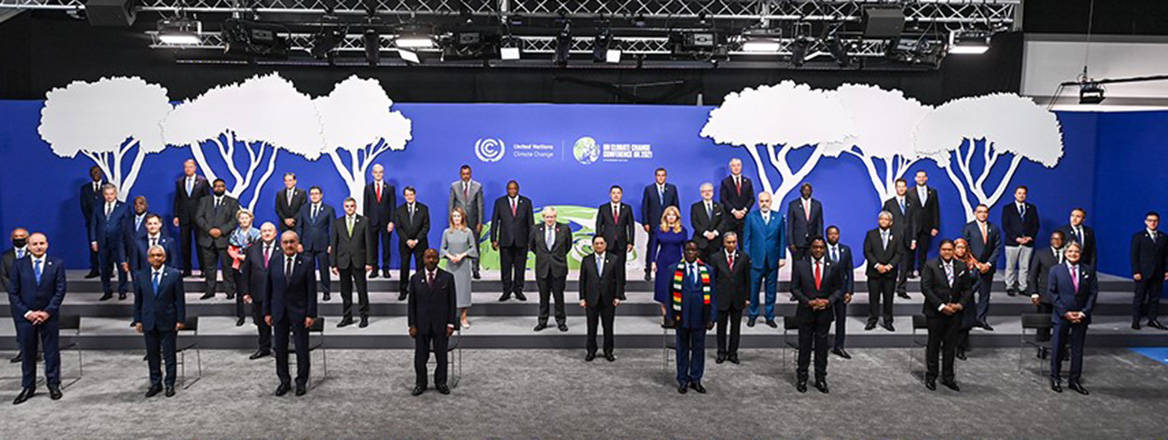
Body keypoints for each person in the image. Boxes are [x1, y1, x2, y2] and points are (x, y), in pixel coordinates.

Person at [9, 233, 67, 405]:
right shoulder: (19, 265)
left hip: (49, 316)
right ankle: (28, 386)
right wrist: (28, 313)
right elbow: (13, 292)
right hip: (26, 317)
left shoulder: (57, 264)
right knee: (28, 353)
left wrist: (47, 312)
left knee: (51, 352)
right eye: (35, 244)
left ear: (47, 245)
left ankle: (53, 384)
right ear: (28, 246)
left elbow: (60, 290)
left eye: (42, 243)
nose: (39, 246)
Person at [264, 231, 318, 397]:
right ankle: (284, 381)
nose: (289, 245)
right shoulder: (274, 261)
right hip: (279, 312)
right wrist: (266, 312)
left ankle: (301, 381)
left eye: (292, 242)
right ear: (281, 244)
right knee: (280, 349)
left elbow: (312, 291)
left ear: (297, 243)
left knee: (302, 349)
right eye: (286, 242)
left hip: (300, 313)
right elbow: (268, 289)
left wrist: (311, 314)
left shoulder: (307, 262)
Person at [131, 245, 186, 398]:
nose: (156, 258)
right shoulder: (140, 275)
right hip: (149, 321)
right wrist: (138, 320)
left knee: (169, 355)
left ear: (164, 257)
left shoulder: (174, 275)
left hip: (168, 320)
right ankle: (155, 383)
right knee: (152, 355)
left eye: (159, 255)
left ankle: (170, 383)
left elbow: (179, 300)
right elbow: (138, 301)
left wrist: (180, 319)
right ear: (148, 258)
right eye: (153, 255)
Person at [790, 237, 841, 393]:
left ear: (825, 249)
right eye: (815, 247)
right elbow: (795, 288)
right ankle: (802, 378)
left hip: (824, 313)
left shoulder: (833, 266)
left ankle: (820, 378)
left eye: (821, 247)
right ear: (810, 248)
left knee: (821, 349)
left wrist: (828, 301)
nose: (818, 250)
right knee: (804, 347)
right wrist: (808, 302)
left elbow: (838, 289)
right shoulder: (800, 265)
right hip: (806, 312)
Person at [920, 240, 971, 392]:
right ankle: (931, 376)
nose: (947, 252)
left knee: (950, 347)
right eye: (944, 249)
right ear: (940, 250)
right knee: (934, 345)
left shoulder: (961, 266)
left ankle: (948, 377)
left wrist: (960, 304)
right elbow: (926, 288)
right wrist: (941, 307)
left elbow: (967, 289)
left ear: (954, 250)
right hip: (935, 313)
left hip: (954, 313)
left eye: (950, 249)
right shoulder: (931, 265)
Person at [1049, 241, 1098, 395]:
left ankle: (1074, 380)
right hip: (1062, 316)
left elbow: (1093, 293)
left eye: (1076, 251)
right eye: (1070, 251)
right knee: (1058, 349)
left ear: (1080, 253)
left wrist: (1084, 312)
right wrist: (1065, 312)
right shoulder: (1056, 270)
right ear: (1065, 253)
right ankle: (1055, 378)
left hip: (1081, 317)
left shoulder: (1088, 270)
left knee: (1077, 350)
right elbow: (1052, 293)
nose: (1073, 254)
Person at [408, 249, 457, 396]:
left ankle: (440, 382)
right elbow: (412, 304)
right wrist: (412, 324)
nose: (431, 260)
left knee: (441, 357)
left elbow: (452, 302)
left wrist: (451, 324)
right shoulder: (415, 278)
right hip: (421, 325)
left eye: (434, 258)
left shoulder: (447, 278)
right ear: (423, 259)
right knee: (420, 358)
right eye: (428, 257)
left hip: (441, 325)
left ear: (438, 259)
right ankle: (420, 383)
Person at [670, 241, 715, 394]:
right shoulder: (674, 269)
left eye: (693, 250)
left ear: (698, 253)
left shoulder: (708, 270)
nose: (690, 253)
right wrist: (670, 316)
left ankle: (696, 379)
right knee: (682, 349)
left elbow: (713, 296)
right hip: (681, 317)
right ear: (683, 252)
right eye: (687, 250)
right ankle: (683, 379)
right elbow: (669, 296)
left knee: (698, 349)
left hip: (700, 317)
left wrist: (711, 318)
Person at [579, 235, 625, 362]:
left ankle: (608, 351)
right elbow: (582, 280)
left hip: (608, 299)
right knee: (591, 327)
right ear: (593, 245)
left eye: (601, 243)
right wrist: (582, 297)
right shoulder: (586, 260)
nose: (599, 245)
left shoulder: (614, 259)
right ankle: (591, 351)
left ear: (605, 244)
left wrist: (617, 296)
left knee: (608, 327)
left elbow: (618, 280)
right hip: (591, 299)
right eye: (596, 243)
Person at [743, 191, 785, 328]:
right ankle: (753, 315)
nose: (764, 203)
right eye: (761, 201)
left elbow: (782, 239)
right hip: (755, 259)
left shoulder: (779, 217)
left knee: (771, 290)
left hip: (772, 260)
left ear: (771, 202)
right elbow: (746, 239)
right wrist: (747, 257)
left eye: (767, 201)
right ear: (758, 202)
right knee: (753, 289)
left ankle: (769, 316)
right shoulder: (751, 217)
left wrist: (782, 256)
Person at [331, 197, 375, 328]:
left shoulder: (364, 221)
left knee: (362, 290)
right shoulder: (337, 222)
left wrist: (369, 262)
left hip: (359, 261)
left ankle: (364, 317)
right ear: (344, 207)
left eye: (351, 206)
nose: (349, 208)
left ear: (355, 207)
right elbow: (334, 243)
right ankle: (347, 317)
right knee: (345, 291)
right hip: (343, 261)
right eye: (347, 206)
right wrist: (333, 264)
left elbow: (369, 243)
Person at [195, 179, 240, 301]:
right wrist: (210, 230)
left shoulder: (232, 202)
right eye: (216, 186)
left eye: (221, 186)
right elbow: (198, 217)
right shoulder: (204, 201)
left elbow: (235, 220)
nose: (219, 188)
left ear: (225, 188)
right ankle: (209, 291)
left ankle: (230, 291)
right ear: (212, 188)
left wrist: (221, 231)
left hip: (224, 239)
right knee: (209, 268)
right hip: (207, 239)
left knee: (227, 267)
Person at [490, 180, 533, 302]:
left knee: (520, 267)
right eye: (510, 188)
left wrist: (531, 240)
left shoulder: (526, 202)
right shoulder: (500, 202)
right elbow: (495, 222)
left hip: (521, 241)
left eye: (514, 188)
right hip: (505, 241)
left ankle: (519, 290)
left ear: (518, 189)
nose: (512, 191)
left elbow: (531, 223)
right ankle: (506, 291)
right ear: (507, 189)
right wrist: (494, 239)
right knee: (506, 268)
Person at [530, 207, 571, 332]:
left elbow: (568, 246)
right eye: (548, 217)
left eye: (552, 217)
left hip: (558, 268)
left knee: (559, 297)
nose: (550, 219)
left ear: (556, 217)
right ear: (543, 217)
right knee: (543, 297)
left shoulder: (564, 229)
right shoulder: (536, 229)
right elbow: (532, 246)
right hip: (542, 268)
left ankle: (561, 321)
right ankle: (542, 321)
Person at [240, 222, 278, 360]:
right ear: (260, 234)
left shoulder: (283, 247)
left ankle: (280, 348)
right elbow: (246, 273)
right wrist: (245, 292)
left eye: (269, 230)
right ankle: (264, 348)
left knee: (279, 323)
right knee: (262, 324)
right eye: (264, 231)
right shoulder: (252, 249)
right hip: (258, 292)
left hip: (278, 294)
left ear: (275, 233)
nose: (267, 233)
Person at [711, 232, 749, 364]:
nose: (731, 245)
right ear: (724, 243)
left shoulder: (744, 257)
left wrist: (747, 297)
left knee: (735, 327)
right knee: (721, 327)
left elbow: (747, 280)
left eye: (734, 242)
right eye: (729, 242)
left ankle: (733, 353)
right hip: (721, 298)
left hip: (738, 298)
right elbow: (713, 280)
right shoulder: (716, 258)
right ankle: (721, 352)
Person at [90, 183, 132, 301]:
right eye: (107, 194)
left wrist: (126, 243)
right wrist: (93, 240)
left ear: (115, 194)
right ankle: (107, 291)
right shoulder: (98, 207)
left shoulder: (124, 207)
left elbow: (128, 227)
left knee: (121, 267)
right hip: (102, 242)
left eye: (111, 194)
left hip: (119, 243)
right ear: (103, 195)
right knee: (104, 268)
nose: (109, 196)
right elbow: (93, 224)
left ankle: (122, 290)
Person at [963, 204, 1002, 331]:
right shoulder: (969, 227)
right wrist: (977, 264)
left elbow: (997, 247)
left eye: (985, 212)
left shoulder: (994, 228)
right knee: (969, 295)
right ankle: (968, 320)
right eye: (980, 212)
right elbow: (965, 248)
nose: (983, 214)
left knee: (985, 295)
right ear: (975, 213)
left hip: (988, 268)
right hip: (973, 268)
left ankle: (981, 319)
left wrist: (988, 264)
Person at [863, 211, 903, 332]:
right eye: (881, 219)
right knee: (873, 298)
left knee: (888, 298)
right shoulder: (871, 234)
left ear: (891, 222)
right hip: (874, 273)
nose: (883, 221)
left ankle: (888, 321)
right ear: (878, 221)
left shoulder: (897, 235)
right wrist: (877, 265)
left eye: (886, 219)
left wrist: (889, 266)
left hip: (889, 273)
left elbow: (899, 253)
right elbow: (867, 252)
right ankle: (872, 320)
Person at [1028, 231, 1065, 358]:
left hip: (1063, 297)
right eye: (1053, 238)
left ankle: (1061, 349)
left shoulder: (1069, 253)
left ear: (1063, 240)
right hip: (1045, 295)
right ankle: (1042, 348)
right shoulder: (1041, 253)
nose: (1056, 241)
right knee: (1043, 324)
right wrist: (1034, 293)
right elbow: (1033, 275)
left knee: (1062, 325)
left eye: (1059, 239)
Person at [441, 207, 479, 329]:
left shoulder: (468, 232)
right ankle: (450, 319)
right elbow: (442, 249)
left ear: (462, 218)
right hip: (451, 266)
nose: (456, 218)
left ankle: (463, 318)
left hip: (463, 266)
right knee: (450, 292)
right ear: (451, 218)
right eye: (454, 216)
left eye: (458, 216)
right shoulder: (447, 232)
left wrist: (462, 255)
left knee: (463, 292)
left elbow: (473, 249)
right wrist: (449, 256)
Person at [1130, 211, 1168, 330]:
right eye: (1150, 220)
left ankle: (1152, 319)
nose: (1152, 223)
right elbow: (1134, 255)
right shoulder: (1138, 236)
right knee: (1139, 298)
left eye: (1155, 221)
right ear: (1146, 222)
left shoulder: (1163, 237)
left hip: (1158, 273)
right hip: (1143, 273)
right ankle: (1136, 320)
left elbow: (1166, 256)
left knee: (1155, 298)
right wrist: (1136, 271)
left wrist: (1166, 270)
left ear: (1158, 222)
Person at [296, 186, 334, 302]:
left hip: (322, 244)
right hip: (306, 244)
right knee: (307, 270)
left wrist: (331, 244)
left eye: (316, 193)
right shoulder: (303, 209)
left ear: (321, 195)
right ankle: (308, 292)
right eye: (312, 194)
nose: (314, 196)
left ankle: (326, 291)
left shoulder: (329, 209)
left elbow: (332, 228)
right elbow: (299, 227)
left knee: (324, 270)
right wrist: (298, 243)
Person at [173, 159, 210, 277]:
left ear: (195, 168)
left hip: (199, 218)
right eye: (186, 167)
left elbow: (207, 200)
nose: (188, 169)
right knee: (185, 244)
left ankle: (203, 269)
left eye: (190, 167)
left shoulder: (203, 181)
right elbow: (177, 200)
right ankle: (187, 270)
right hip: (184, 217)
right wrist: (176, 215)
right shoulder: (179, 182)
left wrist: (206, 217)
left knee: (200, 244)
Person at [641, 168, 679, 281]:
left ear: (666, 176)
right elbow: (645, 207)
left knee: (670, 246)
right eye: (658, 175)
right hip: (653, 224)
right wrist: (646, 222)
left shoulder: (672, 188)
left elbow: (675, 206)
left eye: (663, 175)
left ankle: (672, 269)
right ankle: (648, 270)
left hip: (669, 223)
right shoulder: (649, 189)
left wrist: (676, 221)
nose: (661, 177)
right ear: (655, 176)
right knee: (651, 246)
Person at [652, 206, 688, 327]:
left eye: (673, 215)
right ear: (665, 217)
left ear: (677, 217)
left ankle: (675, 317)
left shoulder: (682, 230)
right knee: (662, 290)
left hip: (677, 262)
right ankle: (666, 318)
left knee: (676, 290)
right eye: (669, 215)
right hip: (662, 263)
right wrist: (652, 261)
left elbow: (686, 248)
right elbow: (653, 247)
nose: (671, 217)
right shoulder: (659, 229)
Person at [1001, 186, 1039, 297]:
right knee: (1010, 266)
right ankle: (1010, 286)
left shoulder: (1032, 208)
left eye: (1023, 193)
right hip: (1012, 242)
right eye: (1019, 193)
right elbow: (1005, 226)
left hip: (1028, 242)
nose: (1021, 195)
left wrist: (1030, 237)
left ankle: (1023, 287)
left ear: (1026, 195)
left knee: (1025, 266)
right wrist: (1016, 238)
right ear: (1015, 194)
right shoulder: (1007, 208)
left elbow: (1036, 225)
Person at [449, 165, 485, 279]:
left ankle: (475, 269)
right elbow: (451, 205)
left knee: (474, 245)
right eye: (464, 174)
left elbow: (480, 206)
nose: (466, 176)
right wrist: (452, 222)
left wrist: (480, 222)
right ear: (460, 174)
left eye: (468, 174)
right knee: (457, 244)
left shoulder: (477, 187)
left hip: (474, 222)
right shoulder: (454, 186)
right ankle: (457, 268)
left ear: (471, 174)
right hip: (458, 222)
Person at [825, 226, 855, 359]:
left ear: (839, 235)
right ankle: (821, 345)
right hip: (825, 292)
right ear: (826, 235)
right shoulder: (820, 249)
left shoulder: (845, 250)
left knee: (841, 320)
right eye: (830, 234)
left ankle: (839, 346)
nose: (833, 236)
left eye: (835, 234)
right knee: (823, 320)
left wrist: (849, 291)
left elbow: (849, 271)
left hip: (842, 291)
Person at [395, 186, 430, 301]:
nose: (409, 197)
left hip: (420, 243)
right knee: (404, 267)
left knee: (420, 268)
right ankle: (403, 291)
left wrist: (416, 240)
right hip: (405, 243)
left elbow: (426, 226)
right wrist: (407, 240)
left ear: (415, 195)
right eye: (407, 195)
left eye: (411, 194)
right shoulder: (399, 210)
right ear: (404, 196)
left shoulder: (423, 208)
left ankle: (420, 291)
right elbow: (398, 228)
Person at [228, 210, 261, 326]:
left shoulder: (257, 233)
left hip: (254, 265)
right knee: (240, 292)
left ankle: (256, 316)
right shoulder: (234, 234)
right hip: (238, 265)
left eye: (246, 218)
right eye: (241, 218)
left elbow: (259, 249)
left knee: (255, 291)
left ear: (251, 219)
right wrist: (239, 256)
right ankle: (240, 316)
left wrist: (248, 257)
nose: (244, 220)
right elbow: (230, 249)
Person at [885, 179, 916, 299]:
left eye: (903, 186)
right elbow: (884, 222)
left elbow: (914, 222)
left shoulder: (911, 203)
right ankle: (889, 289)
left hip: (907, 239)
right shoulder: (889, 203)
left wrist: (913, 239)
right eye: (899, 186)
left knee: (904, 266)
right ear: (896, 188)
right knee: (892, 264)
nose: (901, 189)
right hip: (893, 239)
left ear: (906, 188)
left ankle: (901, 289)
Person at [2, 228, 30, 364]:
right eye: (16, 236)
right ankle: (23, 352)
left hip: (33, 296)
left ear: (27, 238)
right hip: (15, 298)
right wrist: (14, 292)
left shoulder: (34, 253)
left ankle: (37, 352)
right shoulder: (5, 256)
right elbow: (3, 276)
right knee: (20, 325)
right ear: (11, 239)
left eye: (22, 236)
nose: (19, 238)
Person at [906, 170, 940, 279]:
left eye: (923, 177)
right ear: (915, 178)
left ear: (926, 178)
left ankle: (922, 270)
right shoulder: (909, 192)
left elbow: (935, 210)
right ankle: (909, 271)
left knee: (923, 251)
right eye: (919, 177)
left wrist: (935, 226)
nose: (921, 179)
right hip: (913, 227)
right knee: (911, 250)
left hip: (927, 226)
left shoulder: (933, 192)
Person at [364, 164, 396, 279]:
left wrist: (392, 221)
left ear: (383, 173)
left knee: (386, 247)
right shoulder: (368, 188)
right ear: (372, 173)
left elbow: (393, 206)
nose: (378, 174)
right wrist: (366, 222)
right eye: (376, 172)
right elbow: (366, 207)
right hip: (372, 222)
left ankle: (386, 269)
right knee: (372, 247)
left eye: (380, 172)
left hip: (386, 222)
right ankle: (374, 269)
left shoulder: (390, 188)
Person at [952, 238, 981, 360]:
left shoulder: (972, 262)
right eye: (958, 247)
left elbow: (978, 280)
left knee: (965, 325)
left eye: (963, 247)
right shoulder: (949, 261)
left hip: (967, 298)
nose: (960, 250)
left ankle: (961, 349)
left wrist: (969, 293)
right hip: (953, 297)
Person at [595, 185, 635, 268]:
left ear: (621, 195)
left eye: (618, 193)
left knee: (620, 267)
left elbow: (631, 226)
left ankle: (620, 282)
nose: (616, 195)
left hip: (621, 243)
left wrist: (630, 242)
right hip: (607, 243)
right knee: (607, 268)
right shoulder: (603, 208)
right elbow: (599, 225)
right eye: (613, 193)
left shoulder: (627, 208)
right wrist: (600, 241)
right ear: (610, 195)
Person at [786, 183, 824, 261]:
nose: (806, 192)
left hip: (813, 243)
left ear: (811, 191)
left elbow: (820, 224)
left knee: (810, 267)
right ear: (800, 191)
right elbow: (790, 225)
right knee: (797, 267)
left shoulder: (817, 205)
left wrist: (819, 241)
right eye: (804, 190)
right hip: (797, 243)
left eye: (808, 190)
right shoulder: (793, 205)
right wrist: (791, 243)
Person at [719, 158, 755, 238]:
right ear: (730, 167)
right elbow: (723, 199)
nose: (736, 167)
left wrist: (744, 211)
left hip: (744, 218)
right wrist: (734, 212)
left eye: (738, 165)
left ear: (741, 167)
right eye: (733, 165)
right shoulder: (725, 182)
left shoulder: (748, 181)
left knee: (744, 244)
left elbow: (751, 198)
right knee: (729, 243)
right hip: (730, 218)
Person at [81, 165, 106, 278]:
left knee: (107, 247)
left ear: (101, 173)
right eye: (93, 172)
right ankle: (94, 269)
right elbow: (84, 206)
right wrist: (91, 221)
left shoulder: (108, 186)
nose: (96, 174)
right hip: (91, 224)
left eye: (97, 172)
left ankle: (108, 270)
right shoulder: (85, 188)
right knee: (93, 247)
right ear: (90, 174)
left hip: (105, 223)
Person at [690, 182, 726, 261]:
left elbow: (723, 221)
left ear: (713, 192)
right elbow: (694, 223)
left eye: (709, 191)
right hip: (700, 242)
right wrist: (706, 233)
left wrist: (715, 233)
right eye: (704, 191)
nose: (707, 193)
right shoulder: (695, 207)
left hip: (716, 243)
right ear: (701, 193)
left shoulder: (720, 206)